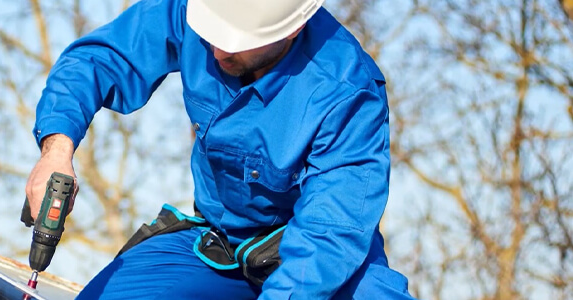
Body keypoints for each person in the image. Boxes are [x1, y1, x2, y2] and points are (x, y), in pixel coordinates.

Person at [23, 0, 415, 298]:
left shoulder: (346, 91)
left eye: (237, 44)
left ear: (294, 28)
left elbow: (328, 235)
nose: (216, 52)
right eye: (212, 36)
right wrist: (56, 150)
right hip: (217, 244)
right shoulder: (196, 9)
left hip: (323, 262)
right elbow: (98, 59)